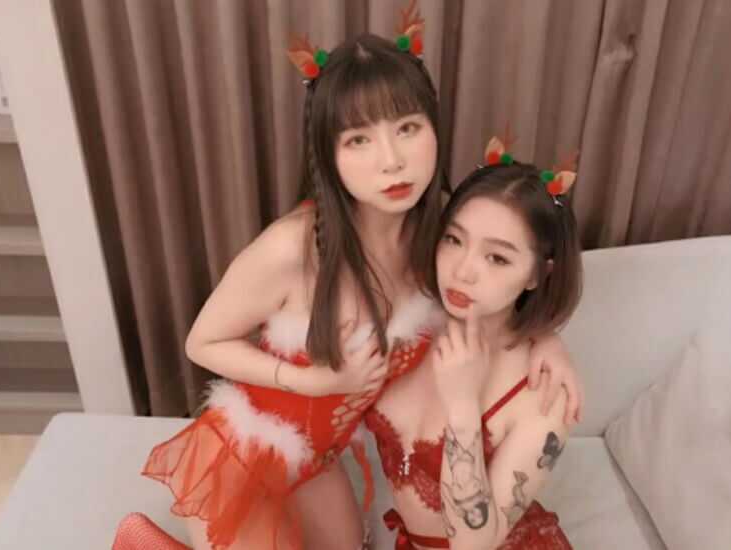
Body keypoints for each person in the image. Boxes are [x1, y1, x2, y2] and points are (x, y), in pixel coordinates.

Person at [112, 5, 583, 550]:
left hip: (322, 457)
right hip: (247, 450)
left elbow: (505, 265)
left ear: (434, 129)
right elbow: (202, 342)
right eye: (359, 139)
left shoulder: (441, 235)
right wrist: (310, 382)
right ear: (328, 155)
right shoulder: (294, 248)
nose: (392, 161)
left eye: (407, 128)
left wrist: (545, 337)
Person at [366, 139, 582, 549]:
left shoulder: (545, 396)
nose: (462, 271)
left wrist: (463, 406)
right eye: (454, 239)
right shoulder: (410, 314)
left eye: (497, 258)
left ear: (537, 275)